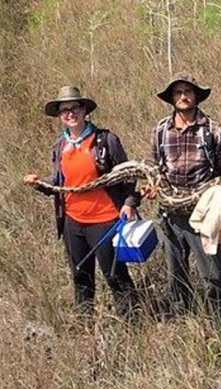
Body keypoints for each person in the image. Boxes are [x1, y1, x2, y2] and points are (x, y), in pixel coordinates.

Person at [23, 86, 139, 320]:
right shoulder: (60, 147)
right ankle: (85, 324)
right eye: (64, 110)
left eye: (74, 107)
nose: (69, 113)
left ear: (84, 110)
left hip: (105, 220)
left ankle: (133, 322)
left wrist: (129, 202)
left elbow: (129, 175)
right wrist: (39, 184)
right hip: (72, 222)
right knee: (80, 275)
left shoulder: (105, 140)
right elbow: (61, 183)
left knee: (114, 274)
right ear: (59, 116)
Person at [146, 73, 221, 332]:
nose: (183, 96)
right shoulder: (161, 129)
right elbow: (154, 168)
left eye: (188, 91)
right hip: (170, 213)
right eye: (178, 93)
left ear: (196, 96)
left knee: (214, 274)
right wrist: (152, 187)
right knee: (176, 275)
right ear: (172, 99)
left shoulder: (213, 130)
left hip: (205, 213)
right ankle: (183, 327)